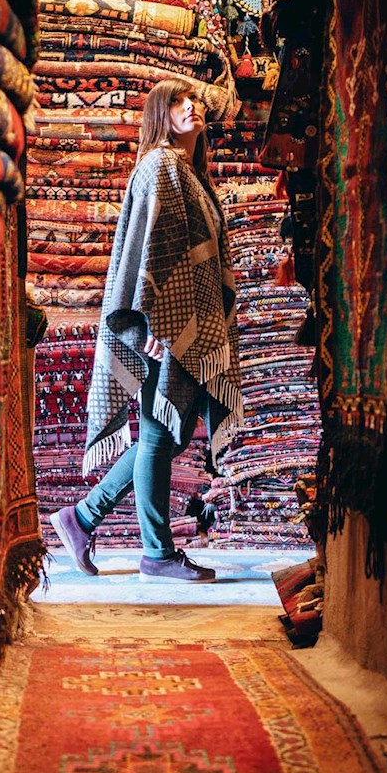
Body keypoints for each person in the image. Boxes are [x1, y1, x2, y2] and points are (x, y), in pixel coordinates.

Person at [50, 80, 242, 582]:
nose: (192, 106)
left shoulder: (191, 174)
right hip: (162, 324)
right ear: (160, 114)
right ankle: (156, 554)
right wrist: (148, 322)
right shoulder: (160, 166)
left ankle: (82, 516)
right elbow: (149, 250)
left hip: (184, 323)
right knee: (161, 433)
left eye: (195, 100)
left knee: (170, 434)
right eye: (178, 102)